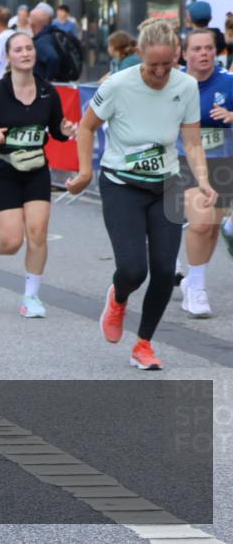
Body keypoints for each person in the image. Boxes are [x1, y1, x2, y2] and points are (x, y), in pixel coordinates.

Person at [66, 19, 217, 370]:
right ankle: (118, 298)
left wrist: (204, 180)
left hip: (166, 184)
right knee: (134, 269)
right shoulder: (118, 85)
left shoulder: (186, 86)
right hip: (122, 184)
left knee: (164, 271)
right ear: (138, 54)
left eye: (169, 64)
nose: (162, 72)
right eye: (153, 65)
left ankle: (144, 344)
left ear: (178, 55)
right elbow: (86, 127)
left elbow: (192, 141)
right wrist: (86, 171)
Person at [0, 33, 75, 317]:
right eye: (19, 49)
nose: (25, 53)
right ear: (9, 57)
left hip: (36, 169)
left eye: (29, 48)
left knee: (38, 232)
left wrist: (64, 132)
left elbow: (55, 131)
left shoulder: (48, 92)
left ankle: (31, 298)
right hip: (3, 170)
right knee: (12, 241)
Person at [174, 29, 233, 317]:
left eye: (209, 48)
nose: (204, 54)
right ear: (184, 53)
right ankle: (197, 289)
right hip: (184, 161)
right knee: (200, 223)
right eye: (196, 49)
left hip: (222, 164)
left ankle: (192, 281)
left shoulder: (229, 82)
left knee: (210, 229)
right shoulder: (173, 83)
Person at [29, 3, 60, 81]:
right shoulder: (55, 33)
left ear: (32, 25)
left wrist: (48, 80)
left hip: (46, 87)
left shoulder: (42, 41)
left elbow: (52, 58)